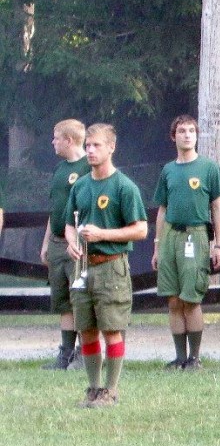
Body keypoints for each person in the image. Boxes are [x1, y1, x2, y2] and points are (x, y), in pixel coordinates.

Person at [64, 123, 148, 408]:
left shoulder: (124, 186)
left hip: (112, 266)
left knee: (111, 329)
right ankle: (93, 388)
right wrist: (72, 241)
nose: (90, 150)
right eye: (87, 145)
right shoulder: (81, 185)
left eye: (96, 145)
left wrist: (103, 235)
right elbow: (68, 225)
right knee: (86, 330)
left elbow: (140, 230)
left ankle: (111, 391)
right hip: (83, 267)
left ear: (111, 148)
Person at [151, 115, 220, 370]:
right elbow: (162, 208)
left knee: (191, 298)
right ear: (173, 136)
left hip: (196, 235)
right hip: (171, 235)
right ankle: (179, 357)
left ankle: (195, 357)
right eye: (181, 131)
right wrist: (157, 245)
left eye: (191, 131)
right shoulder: (168, 170)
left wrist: (219, 244)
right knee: (173, 299)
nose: (187, 135)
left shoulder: (208, 168)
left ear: (196, 136)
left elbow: (217, 207)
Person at [39, 120, 91, 370]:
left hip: (79, 244)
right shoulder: (60, 169)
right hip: (57, 242)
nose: (53, 142)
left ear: (69, 140)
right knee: (62, 301)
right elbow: (55, 209)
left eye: (56, 138)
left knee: (80, 297)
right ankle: (66, 354)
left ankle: (85, 353)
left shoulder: (88, 167)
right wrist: (46, 242)